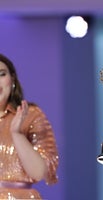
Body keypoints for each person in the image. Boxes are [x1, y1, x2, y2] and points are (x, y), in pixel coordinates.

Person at [0, 54, 59, 199]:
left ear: (12, 80)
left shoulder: (30, 115)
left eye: (1, 74)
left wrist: (17, 134)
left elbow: (39, 173)